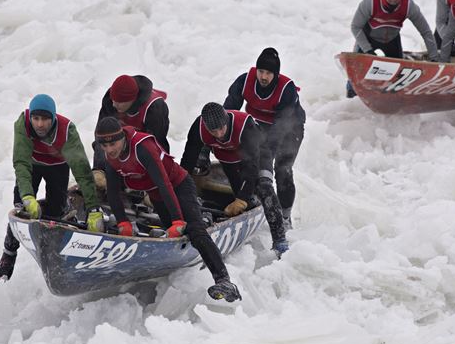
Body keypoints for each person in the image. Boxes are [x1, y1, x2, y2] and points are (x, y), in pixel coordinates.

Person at [95, 117, 241, 302]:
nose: (109, 150)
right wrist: (123, 221)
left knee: (195, 230)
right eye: (104, 146)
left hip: (178, 185)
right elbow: (113, 192)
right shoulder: (111, 158)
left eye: (113, 144)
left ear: (122, 137)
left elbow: (164, 184)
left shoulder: (142, 147)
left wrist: (177, 219)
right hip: (157, 195)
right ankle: (196, 216)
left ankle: (224, 280)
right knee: (175, 234)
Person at [0, 94, 104, 280]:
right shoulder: (22, 124)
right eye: (36, 118)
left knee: (55, 211)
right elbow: (21, 163)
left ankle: (54, 253)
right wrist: (28, 196)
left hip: (58, 165)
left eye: (45, 119)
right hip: (32, 164)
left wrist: (93, 208)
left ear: (53, 118)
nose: (39, 124)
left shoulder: (67, 131)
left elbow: (82, 172)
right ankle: (9, 252)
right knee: (21, 208)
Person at [180, 103, 289, 257]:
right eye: (213, 131)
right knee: (245, 198)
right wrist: (177, 188)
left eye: (221, 129)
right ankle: (249, 203)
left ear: (226, 122)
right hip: (228, 157)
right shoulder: (198, 127)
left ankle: (280, 240)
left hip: (258, 154)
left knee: (264, 188)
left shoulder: (246, 126)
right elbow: (188, 160)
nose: (218, 134)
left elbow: (250, 167)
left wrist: (241, 199)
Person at [223, 48, 305, 239]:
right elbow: (228, 113)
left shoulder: (287, 89)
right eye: (261, 71)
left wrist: (265, 160)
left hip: (289, 129)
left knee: (282, 171)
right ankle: (248, 198)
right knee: (245, 160)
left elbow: (279, 130)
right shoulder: (244, 81)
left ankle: (285, 218)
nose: (263, 77)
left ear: (275, 75)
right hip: (258, 124)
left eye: (268, 73)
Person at [348, 0, 439, 97]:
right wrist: (367, 50)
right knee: (354, 81)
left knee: (399, 80)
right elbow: (355, 26)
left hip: (392, 41)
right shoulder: (371, 1)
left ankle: (391, 103)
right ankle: (351, 103)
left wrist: (434, 58)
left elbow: (426, 32)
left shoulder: (408, 6)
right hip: (368, 41)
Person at [92, 74, 170, 187]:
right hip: (120, 141)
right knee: (105, 139)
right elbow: (101, 134)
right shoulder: (110, 99)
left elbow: (158, 146)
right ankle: (101, 174)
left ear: (132, 100)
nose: (114, 105)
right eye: (113, 100)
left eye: (118, 102)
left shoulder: (155, 107)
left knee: (147, 150)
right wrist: (99, 168)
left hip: (143, 144)